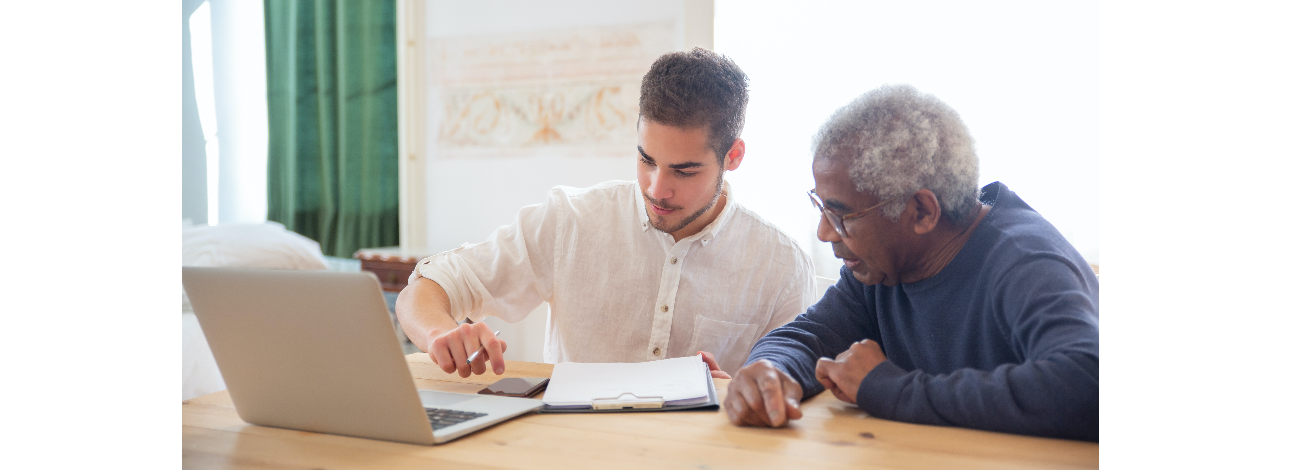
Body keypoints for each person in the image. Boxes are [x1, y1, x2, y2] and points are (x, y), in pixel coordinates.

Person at [396, 48, 817, 380]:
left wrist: (740, 393)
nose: (657, 188)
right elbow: (425, 288)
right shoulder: (570, 220)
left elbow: (789, 385)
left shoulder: (780, 265)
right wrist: (440, 334)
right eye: (646, 159)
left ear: (734, 156)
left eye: (684, 171)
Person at [725, 85, 1099, 441]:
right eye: (821, 206)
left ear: (921, 211)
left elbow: (1085, 383)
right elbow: (810, 336)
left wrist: (887, 388)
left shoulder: (1026, 263)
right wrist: (771, 371)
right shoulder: (880, 268)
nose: (825, 233)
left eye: (842, 216)